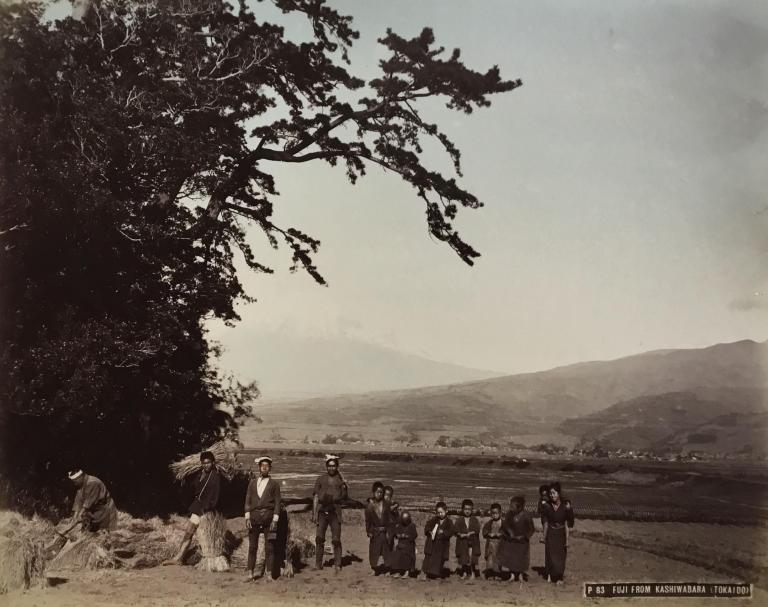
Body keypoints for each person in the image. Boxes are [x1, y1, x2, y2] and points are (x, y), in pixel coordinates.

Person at [164, 450, 221, 565]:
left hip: (205, 510)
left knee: (193, 532)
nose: (206, 465)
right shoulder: (200, 474)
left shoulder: (215, 477)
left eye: (208, 462)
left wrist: (207, 509)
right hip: (197, 507)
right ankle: (179, 558)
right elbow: (193, 488)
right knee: (189, 532)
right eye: (204, 463)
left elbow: (216, 496)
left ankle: (181, 558)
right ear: (201, 463)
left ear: (213, 463)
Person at [244, 456, 282, 582]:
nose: (264, 467)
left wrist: (275, 520)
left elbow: (277, 503)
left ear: (270, 468)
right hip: (254, 518)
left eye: (267, 466)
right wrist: (247, 517)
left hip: (269, 520)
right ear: (259, 467)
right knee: (252, 546)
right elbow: (247, 500)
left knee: (270, 547)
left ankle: (269, 574)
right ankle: (250, 573)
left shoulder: (274, 484)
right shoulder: (252, 483)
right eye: (262, 465)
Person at [311, 454, 348, 572]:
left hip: (335, 512)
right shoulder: (320, 479)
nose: (331, 468)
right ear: (326, 467)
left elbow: (345, 497)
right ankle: (318, 564)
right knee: (319, 538)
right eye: (329, 466)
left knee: (336, 539)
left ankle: (338, 564)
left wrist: (345, 484)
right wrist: (314, 513)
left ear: (337, 466)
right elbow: (316, 497)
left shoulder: (341, 481)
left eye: (333, 466)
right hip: (322, 511)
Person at [541, 482, 575, 584]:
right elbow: (545, 523)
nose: (552, 495)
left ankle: (559, 577)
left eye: (554, 493)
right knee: (550, 554)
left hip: (561, 534)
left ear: (559, 493)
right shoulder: (547, 506)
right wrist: (544, 536)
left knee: (561, 555)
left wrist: (567, 540)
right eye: (550, 493)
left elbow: (568, 524)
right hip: (551, 532)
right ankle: (550, 576)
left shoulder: (565, 506)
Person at [499, 496, 535, 581]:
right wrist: (509, 532)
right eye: (510, 506)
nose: (510, 508)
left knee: (521, 558)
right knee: (511, 558)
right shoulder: (509, 514)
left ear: (520, 508)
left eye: (512, 507)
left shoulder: (526, 516)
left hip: (522, 542)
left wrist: (524, 536)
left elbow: (531, 529)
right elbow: (505, 525)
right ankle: (512, 575)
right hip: (511, 541)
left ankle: (520, 575)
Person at [421, 501, 454, 579]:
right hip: (433, 543)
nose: (440, 514)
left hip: (442, 544)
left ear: (446, 511)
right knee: (429, 558)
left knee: (439, 560)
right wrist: (429, 531)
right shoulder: (434, 520)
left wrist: (444, 532)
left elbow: (451, 531)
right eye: (438, 513)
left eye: (441, 512)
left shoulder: (449, 522)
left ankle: (436, 573)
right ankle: (426, 573)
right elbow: (428, 526)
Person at [364, 481, 391, 575]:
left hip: (385, 531)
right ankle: (374, 568)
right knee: (374, 551)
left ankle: (387, 569)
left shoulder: (387, 504)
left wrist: (389, 531)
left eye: (381, 492)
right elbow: (368, 521)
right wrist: (369, 531)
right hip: (375, 532)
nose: (379, 494)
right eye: (377, 492)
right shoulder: (369, 506)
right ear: (373, 492)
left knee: (386, 550)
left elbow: (389, 519)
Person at [454, 498, 481, 579]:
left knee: (471, 557)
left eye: (469, 509)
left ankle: (472, 572)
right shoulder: (459, 520)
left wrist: (471, 533)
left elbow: (477, 530)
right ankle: (465, 573)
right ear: (462, 509)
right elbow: (456, 530)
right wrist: (459, 534)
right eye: (465, 509)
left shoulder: (474, 519)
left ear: (472, 510)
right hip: (463, 542)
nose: (467, 511)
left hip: (472, 542)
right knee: (463, 558)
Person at [386, 510, 417, 578]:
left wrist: (407, 536)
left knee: (407, 556)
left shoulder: (412, 525)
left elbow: (414, 535)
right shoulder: (400, 525)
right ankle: (399, 571)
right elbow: (396, 534)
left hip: (409, 544)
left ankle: (407, 572)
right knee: (397, 556)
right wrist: (399, 535)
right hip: (401, 544)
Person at [481, 503, 504, 579]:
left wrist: (500, 534)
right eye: (493, 513)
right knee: (490, 559)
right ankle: (491, 574)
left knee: (498, 559)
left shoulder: (503, 523)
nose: (494, 515)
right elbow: (484, 531)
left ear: (500, 513)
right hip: (490, 544)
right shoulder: (489, 523)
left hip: (499, 545)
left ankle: (497, 575)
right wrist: (489, 534)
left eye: (496, 513)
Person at [383, 485, 399, 550]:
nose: (388, 497)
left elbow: (397, 517)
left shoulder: (392, 504)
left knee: (391, 542)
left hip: (391, 526)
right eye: (386, 495)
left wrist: (395, 507)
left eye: (390, 496)